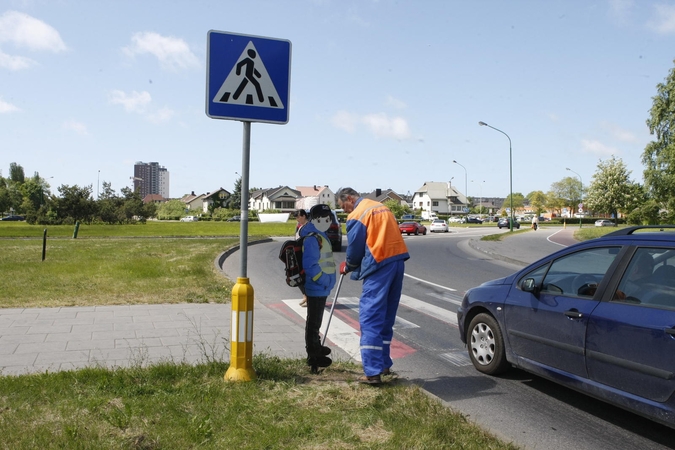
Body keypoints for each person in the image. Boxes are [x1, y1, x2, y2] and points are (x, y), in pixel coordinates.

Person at [336, 187, 410, 385]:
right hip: (398, 262)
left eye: (343, 206)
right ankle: (384, 364)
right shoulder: (381, 207)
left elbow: (355, 249)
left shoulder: (358, 214)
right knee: (386, 317)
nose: (344, 212)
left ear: (350, 198)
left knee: (370, 318)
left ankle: (372, 372)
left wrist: (349, 266)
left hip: (379, 265)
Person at [301, 204, 337, 372]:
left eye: (328, 219)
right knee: (314, 323)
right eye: (320, 219)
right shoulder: (312, 239)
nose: (325, 222)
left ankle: (315, 350)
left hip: (322, 287)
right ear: (313, 220)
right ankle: (314, 355)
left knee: (316, 322)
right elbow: (310, 265)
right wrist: (323, 280)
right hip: (317, 286)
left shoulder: (320, 235)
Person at [295, 209, 309, 307]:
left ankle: (308, 298)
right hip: (299, 254)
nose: (297, 219)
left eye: (298, 217)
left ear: (303, 216)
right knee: (298, 276)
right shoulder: (300, 227)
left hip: (306, 256)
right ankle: (305, 296)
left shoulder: (309, 227)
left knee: (304, 277)